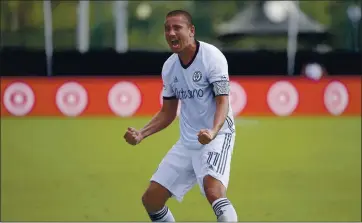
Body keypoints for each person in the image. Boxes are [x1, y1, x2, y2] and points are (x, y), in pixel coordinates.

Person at [123, 9, 238, 222]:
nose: (171, 33)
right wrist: (141, 134)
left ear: (191, 30)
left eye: (177, 27)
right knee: (151, 200)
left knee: (213, 192)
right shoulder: (169, 68)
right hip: (188, 141)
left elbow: (223, 101)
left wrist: (213, 131)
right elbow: (167, 112)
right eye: (167, 28)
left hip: (217, 135)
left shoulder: (212, 57)